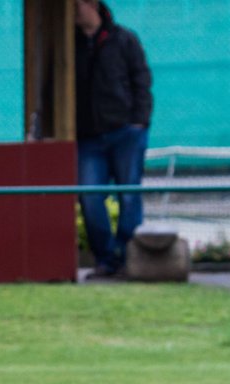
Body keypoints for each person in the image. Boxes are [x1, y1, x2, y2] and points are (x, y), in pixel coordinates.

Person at [75, 0, 153, 279]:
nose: (72, 11)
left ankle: (128, 258)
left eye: (76, 5)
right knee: (90, 196)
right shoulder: (68, 46)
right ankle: (106, 260)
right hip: (87, 138)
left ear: (91, 4)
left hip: (125, 133)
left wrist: (139, 122)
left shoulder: (124, 39)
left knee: (129, 195)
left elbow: (141, 80)